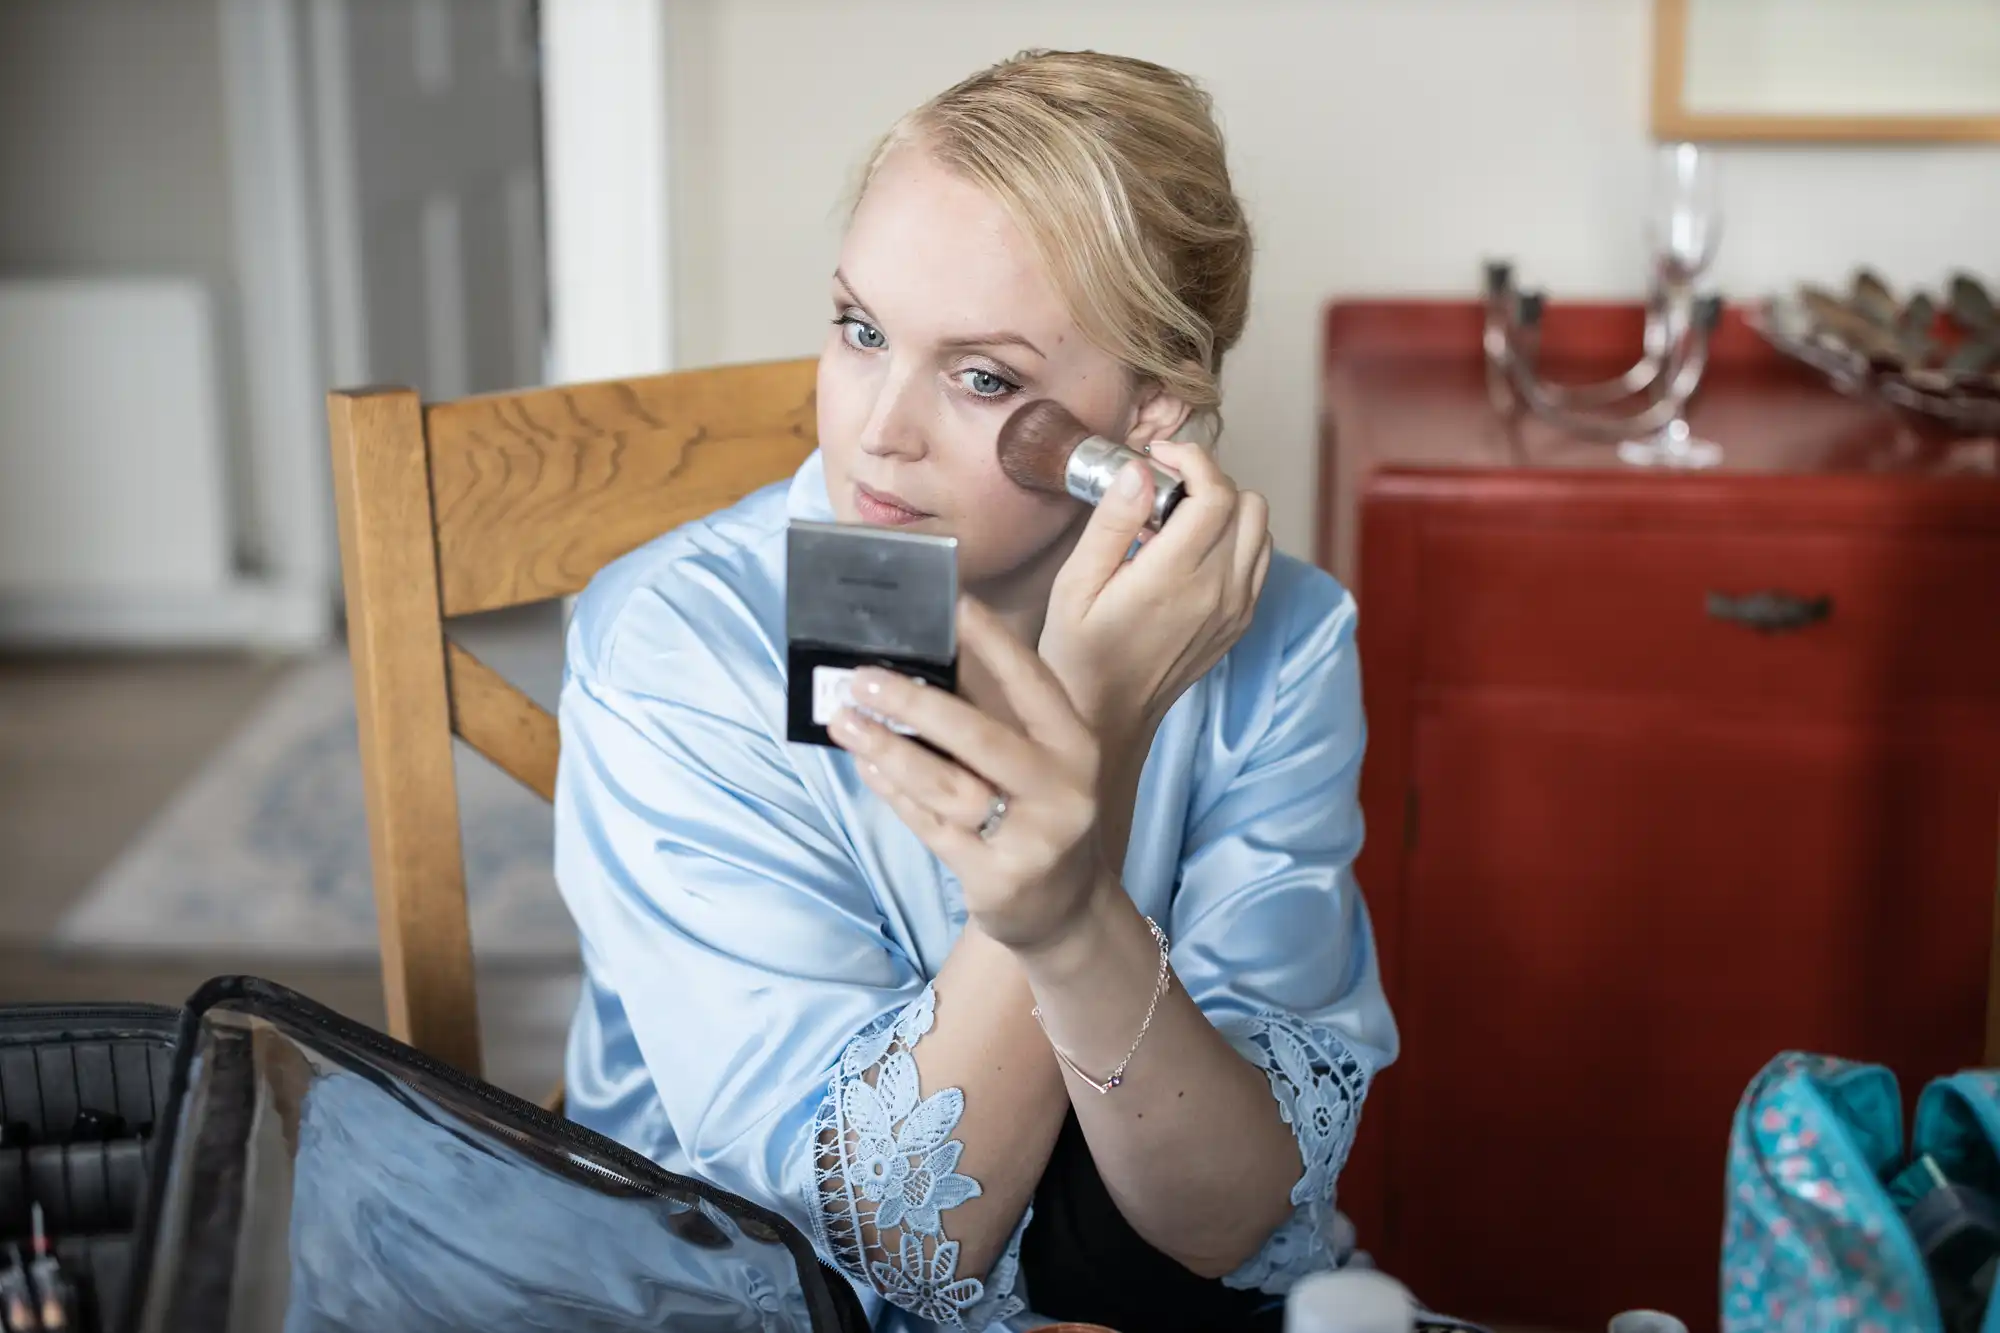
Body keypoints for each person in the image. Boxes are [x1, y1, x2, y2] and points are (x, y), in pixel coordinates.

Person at [554, 48, 1397, 1333]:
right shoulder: (676, 649)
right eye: (859, 330)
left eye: (983, 376)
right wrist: (1095, 725)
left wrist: (1085, 777)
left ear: (1149, 418)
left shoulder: (1281, 639)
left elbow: (1224, 1218)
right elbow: (876, 1235)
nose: (876, 431)